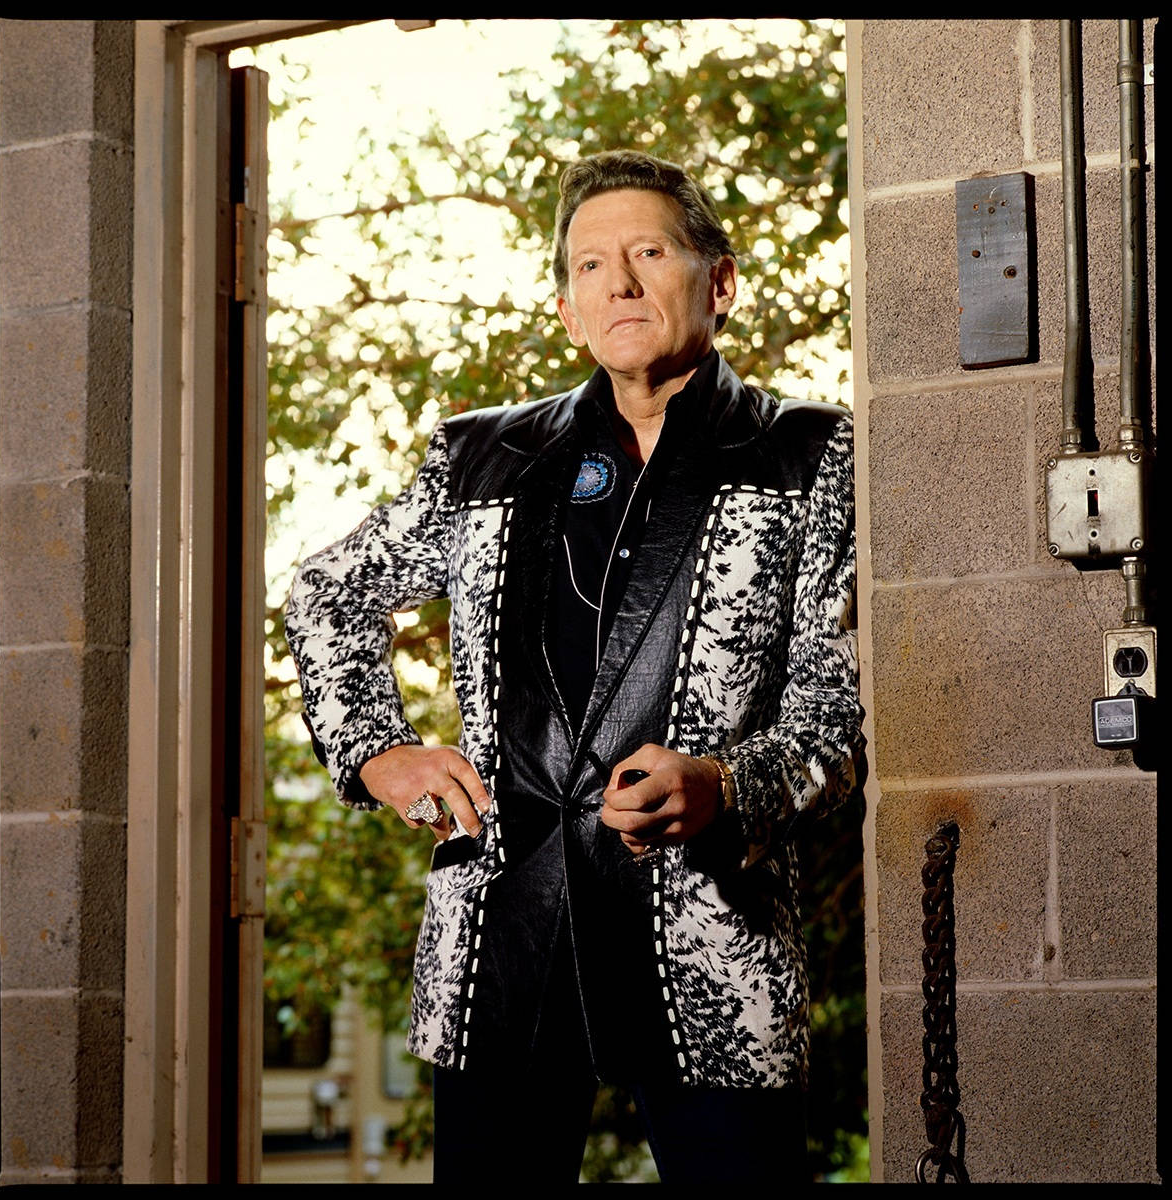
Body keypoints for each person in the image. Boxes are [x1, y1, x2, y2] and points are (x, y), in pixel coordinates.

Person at [285, 148, 866, 1184]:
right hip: (499, 947)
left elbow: (839, 716)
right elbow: (328, 590)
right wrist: (378, 752)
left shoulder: (814, 457)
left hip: (709, 945)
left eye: (649, 252)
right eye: (592, 266)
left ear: (720, 281)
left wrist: (729, 787)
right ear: (566, 310)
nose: (622, 283)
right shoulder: (479, 460)